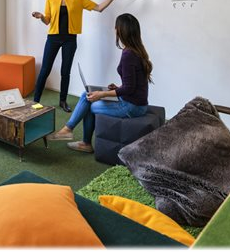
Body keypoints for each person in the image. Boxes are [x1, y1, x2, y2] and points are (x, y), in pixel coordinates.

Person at [49, 13, 153, 153]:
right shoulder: (136, 50)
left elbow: (129, 88)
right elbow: (133, 85)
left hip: (132, 107)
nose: (114, 30)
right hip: (135, 101)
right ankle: (71, 132)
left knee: (90, 104)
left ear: (121, 30)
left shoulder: (129, 54)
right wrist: (117, 88)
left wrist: (102, 94)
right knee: (86, 95)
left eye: (116, 27)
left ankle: (77, 137)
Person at [31, 0, 125, 112]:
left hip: (70, 39)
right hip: (53, 38)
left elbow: (99, 8)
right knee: (45, 70)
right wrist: (41, 17)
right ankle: (35, 101)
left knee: (65, 71)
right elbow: (47, 21)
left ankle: (63, 101)